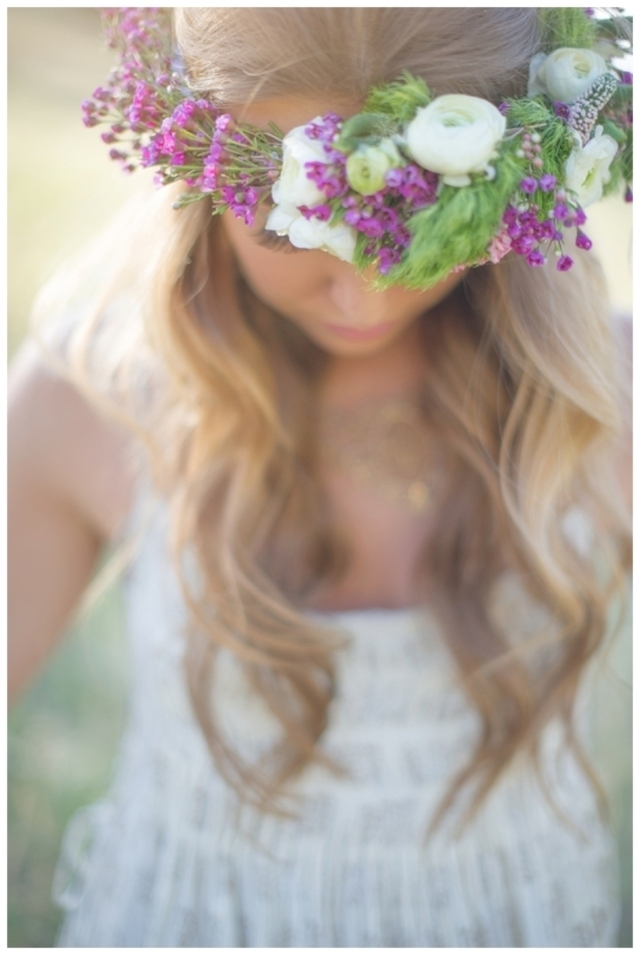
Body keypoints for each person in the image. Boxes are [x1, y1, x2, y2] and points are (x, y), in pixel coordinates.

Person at [8, 7, 632, 947]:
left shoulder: (602, 400)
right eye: (294, 228)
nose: (364, 293)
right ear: (203, 171)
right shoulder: (90, 397)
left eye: (420, 220)